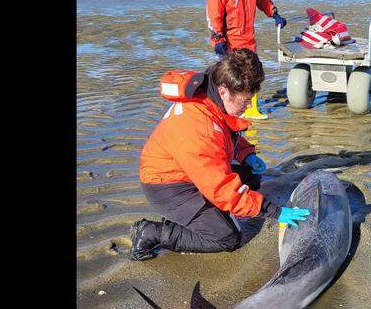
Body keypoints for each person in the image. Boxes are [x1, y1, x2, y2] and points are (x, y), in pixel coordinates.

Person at [130, 49, 310, 261]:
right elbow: (222, 188)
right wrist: (275, 211)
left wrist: (246, 154)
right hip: (167, 185)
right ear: (224, 91)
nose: (247, 106)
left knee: (250, 176)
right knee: (228, 238)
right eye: (244, 101)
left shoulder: (210, 94)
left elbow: (226, 134)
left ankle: (205, 214)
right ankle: (152, 232)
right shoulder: (199, 130)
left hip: (188, 170)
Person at [205, 0, 288, 121]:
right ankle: (225, 111)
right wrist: (218, 38)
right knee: (230, 78)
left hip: (247, 37)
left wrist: (274, 14)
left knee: (252, 75)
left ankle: (251, 110)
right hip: (227, 40)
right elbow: (213, 12)